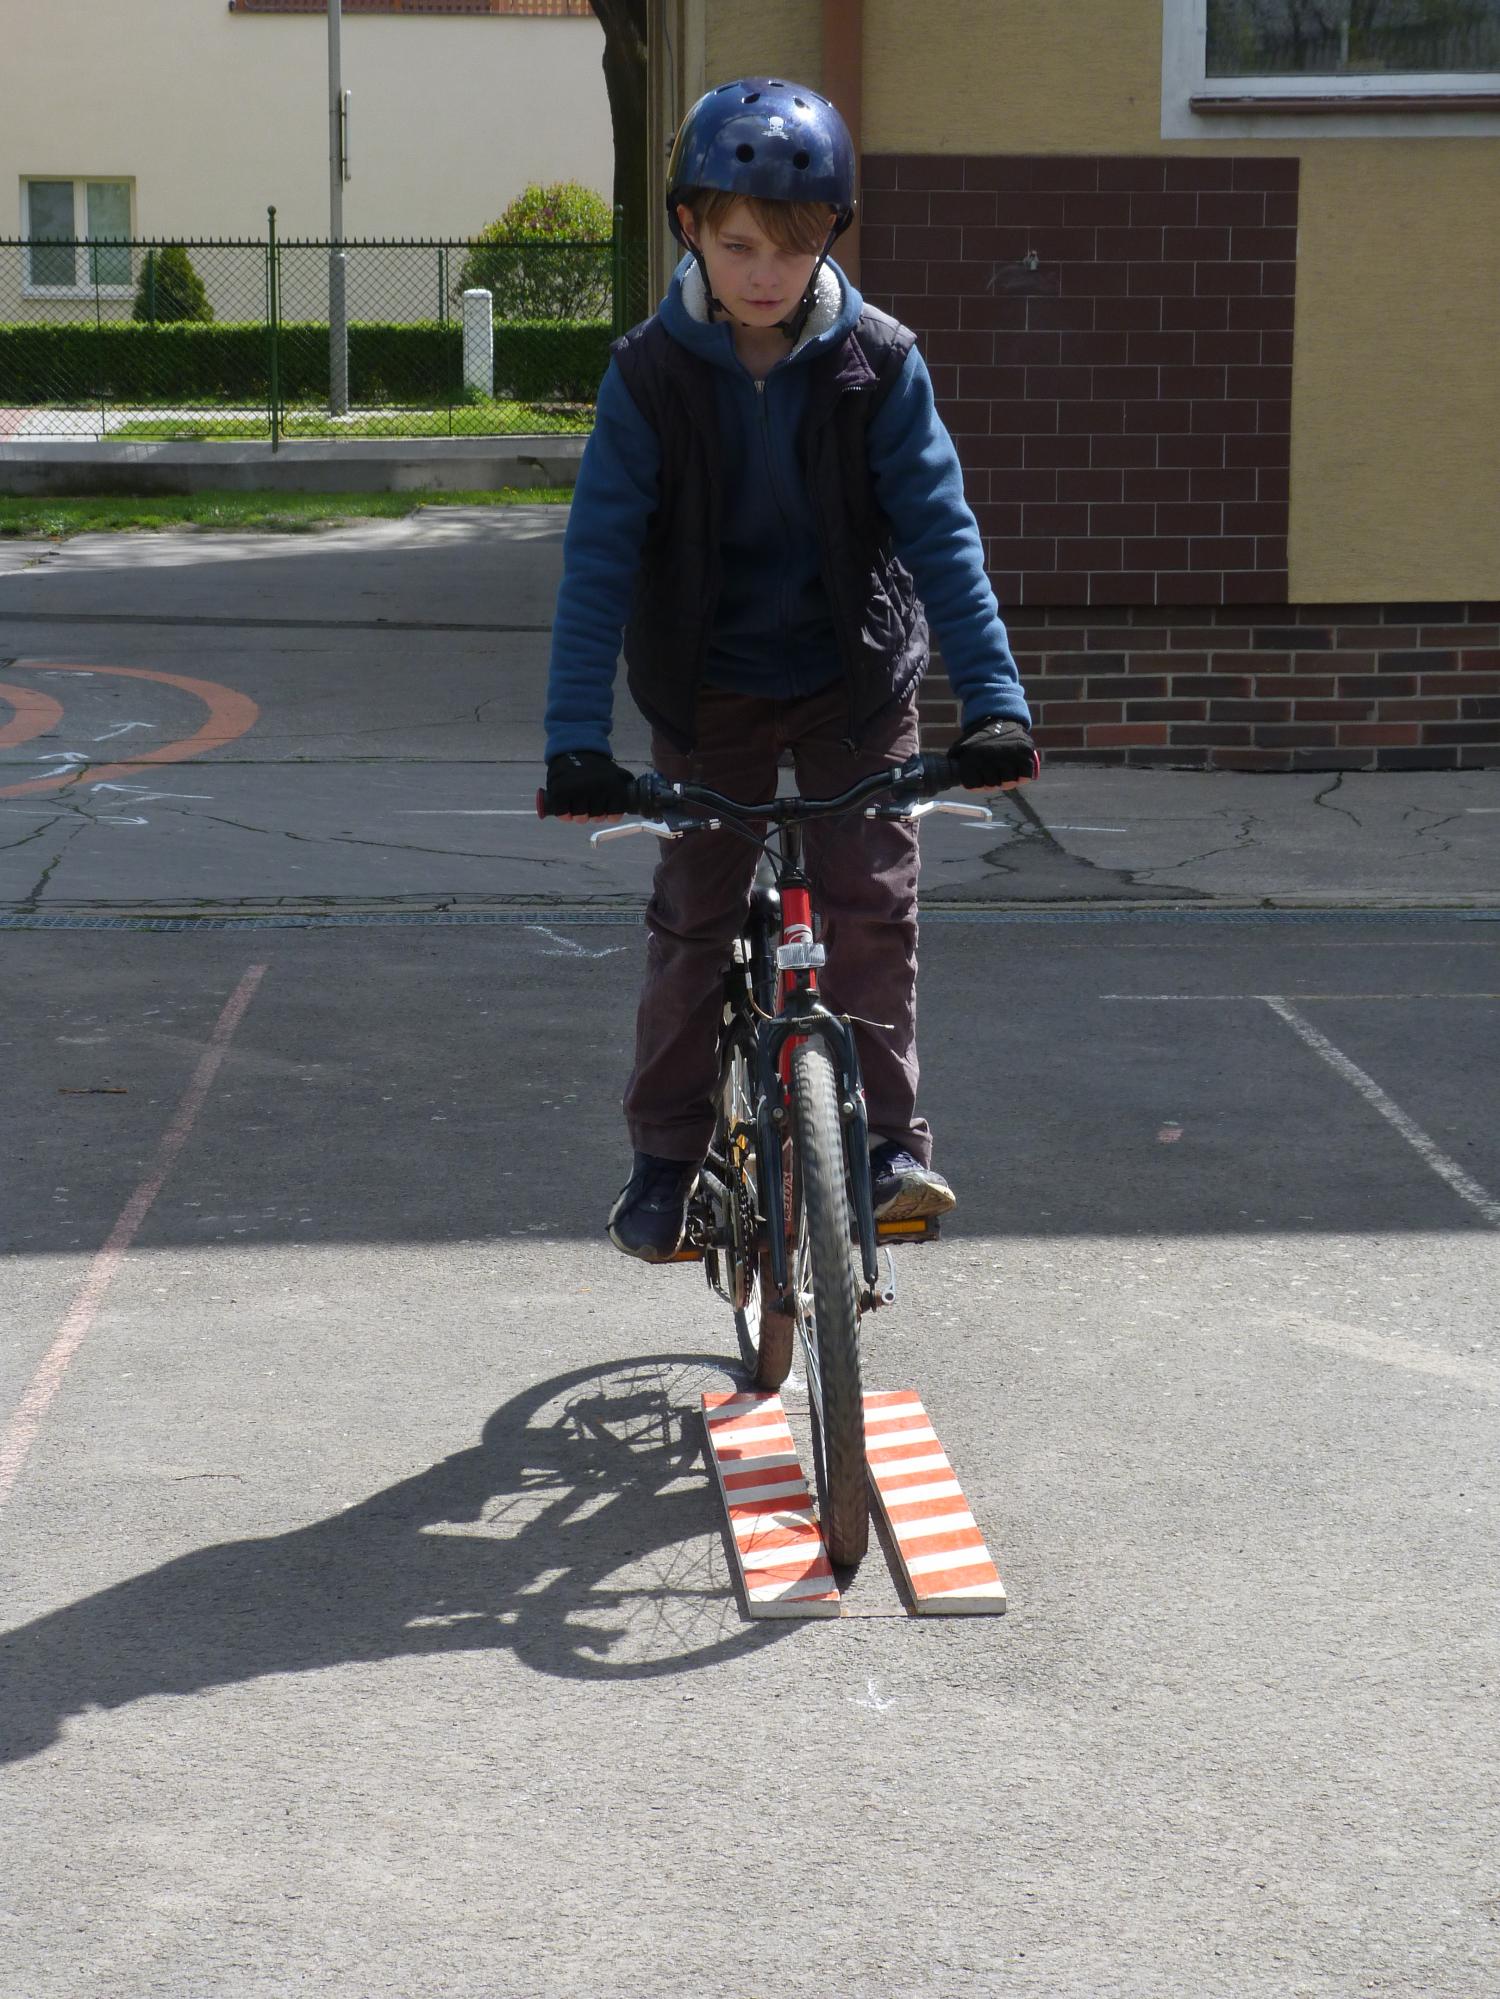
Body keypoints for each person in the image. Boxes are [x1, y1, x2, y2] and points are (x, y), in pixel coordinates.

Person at [542, 76, 1037, 1264]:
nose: (766, 273)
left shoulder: (879, 364)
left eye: (795, 246)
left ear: (831, 240)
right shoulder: (649, 376)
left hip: (849, 680)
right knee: (694, 920)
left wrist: (995, 703)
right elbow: (599, 561)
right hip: (709, 685)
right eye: (739, 245)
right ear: (690, 230)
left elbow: (942, 534)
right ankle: (667, 1160)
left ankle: (889, 1150)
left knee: (870, 906)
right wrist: (576, 743)